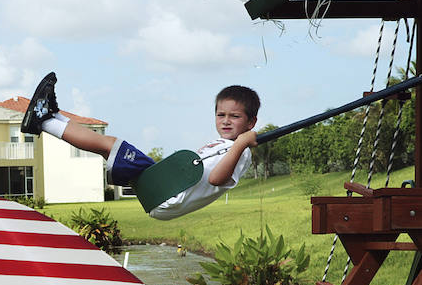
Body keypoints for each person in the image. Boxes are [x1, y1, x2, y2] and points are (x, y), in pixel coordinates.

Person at [21, 72, 259, 220]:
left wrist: (240, 145)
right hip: (166, 187)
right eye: (221, 115)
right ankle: (51, 116)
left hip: (169, 195)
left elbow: (217, 179)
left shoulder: (242, 151)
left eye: (235, 117)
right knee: (112, 146)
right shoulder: (228, 144)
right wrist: (237, 143)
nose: (226, 121)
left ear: (251, 122)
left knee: (110, 145)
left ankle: (45, 121)